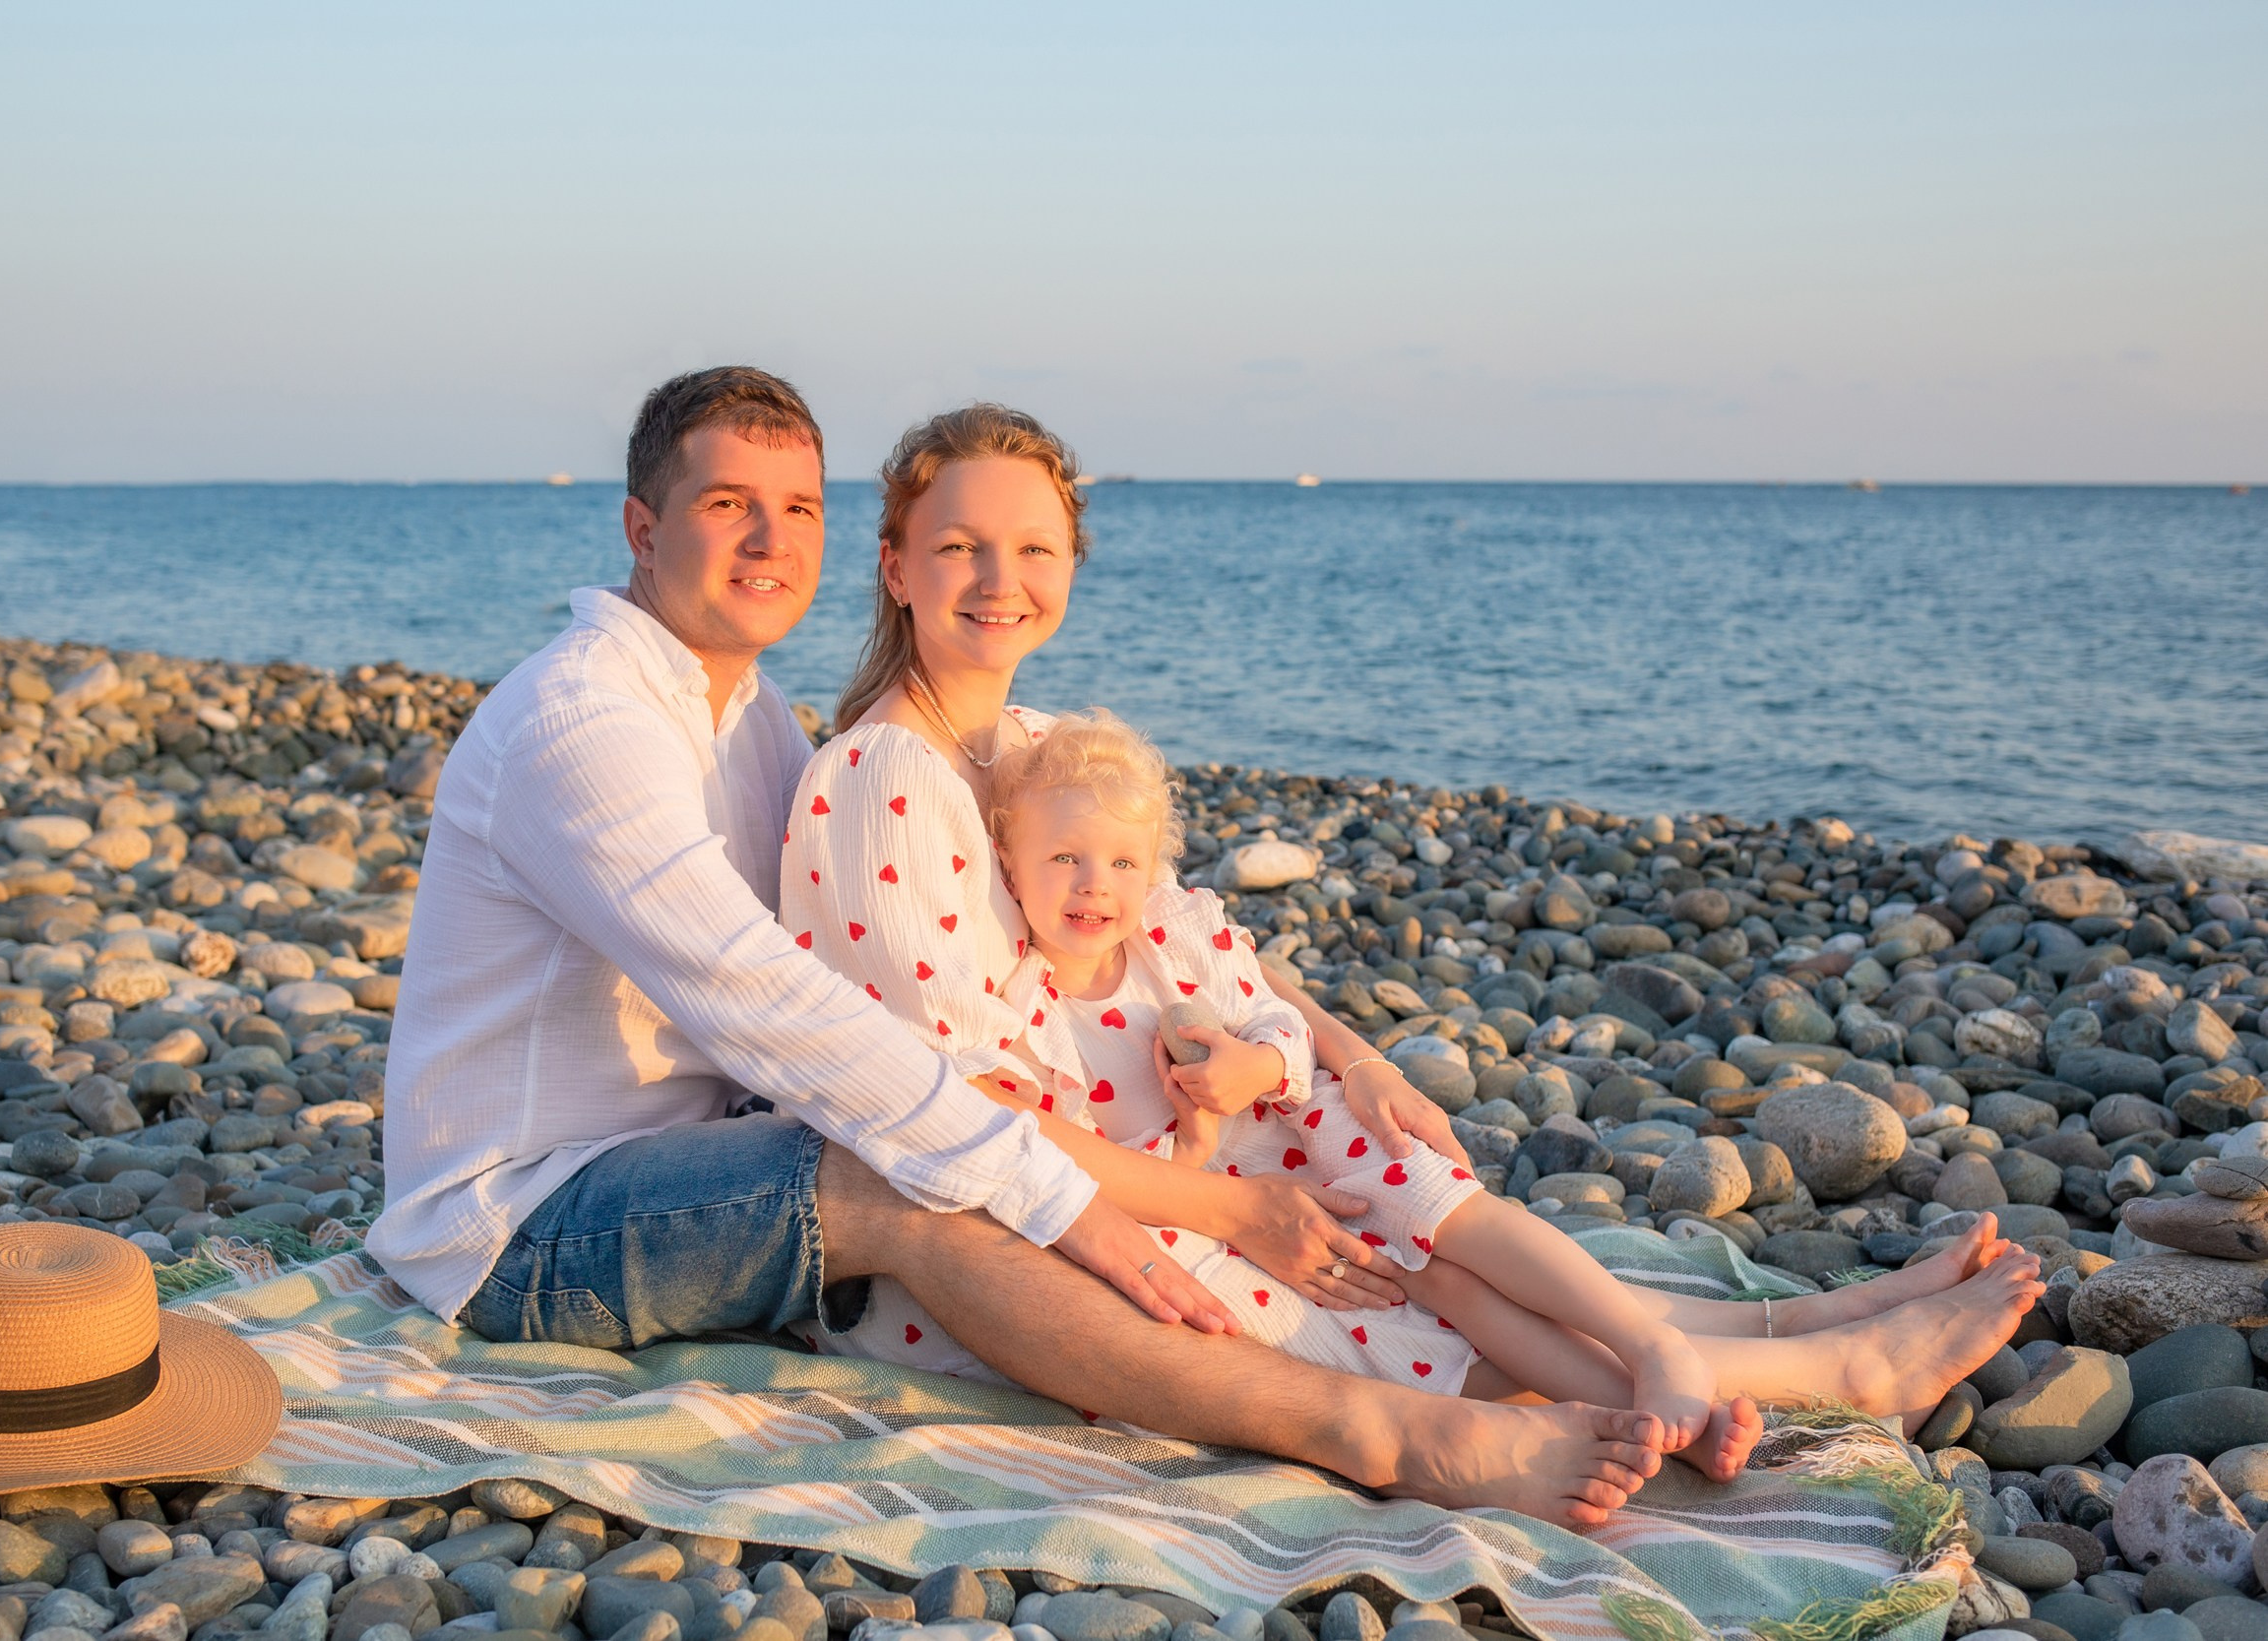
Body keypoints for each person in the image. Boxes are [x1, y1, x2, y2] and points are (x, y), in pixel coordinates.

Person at [373, 364, 1671, 1530]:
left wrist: (1323, 1048)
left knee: (950, 1149)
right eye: (726, 506)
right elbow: (768, 1006)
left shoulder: (757, 726)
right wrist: (1086, 1203)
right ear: (643, 529)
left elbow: (1150, 938)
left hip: (693, 1164)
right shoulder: (581, 725)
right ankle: (1386, 1433)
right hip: (519, 1218)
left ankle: (1685, 1359)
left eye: (798, 507)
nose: (769, 539)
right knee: (919, 1178)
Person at [777, 401, 2048, 1479]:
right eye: (961, 548)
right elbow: (957, 1113)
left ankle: (1788, 1333)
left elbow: (1194, 941)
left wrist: (1355, 1056)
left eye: (1033, 548)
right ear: (895, 566)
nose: (1002, 582)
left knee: (1374, 1172)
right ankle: (1791, 1372)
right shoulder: (888, 776)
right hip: (1002, 1245)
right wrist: (1233, 1200)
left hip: (1130, 1154)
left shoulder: (1028, 744)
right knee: (1368, 1248)